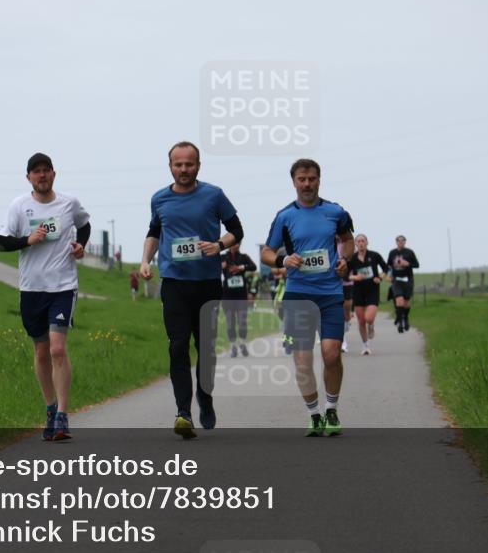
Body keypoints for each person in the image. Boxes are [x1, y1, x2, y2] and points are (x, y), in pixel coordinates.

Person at [139, 141, 243, 439]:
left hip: (207, 284)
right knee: (177, 345)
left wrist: (219, 245)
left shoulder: (213, 195)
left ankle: (205, 398)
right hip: (173, 283)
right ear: (170, 166)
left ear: (198, 165)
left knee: (206, 350)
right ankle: (183, 411)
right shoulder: (159, 199)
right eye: (178, 164)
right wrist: (146, 261)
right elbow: (154, 231)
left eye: (189, 164)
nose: (183, 169)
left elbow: (238, 229)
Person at [0, 153, 91, 441]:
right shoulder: (18, 206)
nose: (41, 176)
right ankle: (50, 408)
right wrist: (28, 240)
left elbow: (84, 224)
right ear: (28, 177)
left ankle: (63, 414)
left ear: (53, 174)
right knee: (40, 352)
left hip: (62, 286)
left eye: (45, 171)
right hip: (31, 289)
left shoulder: (68, 203)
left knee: (57, 349)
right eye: (36, 172)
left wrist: (80, 245)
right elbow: (2, 242)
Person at [260, 158, 354, 437]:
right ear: (294, 182)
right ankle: (314, 414)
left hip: (330, 293)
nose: (307, 184)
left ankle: (332, 408)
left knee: (331, 354)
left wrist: (344, 259)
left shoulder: (335, 212)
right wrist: (283, 258)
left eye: (312, 178)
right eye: (302, 179)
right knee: (302, 360)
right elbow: (266, 251)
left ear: (319, 180)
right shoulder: (285, 216)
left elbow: (347, 239)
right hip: (298, 294)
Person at [348, 234, 388, 355]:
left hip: (372, 290)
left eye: (363, 241)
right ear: (355, 244)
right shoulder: (352, 258)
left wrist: (379, 278)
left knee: (368, 318)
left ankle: (371, 325)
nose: (361, 243)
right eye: (358, 241)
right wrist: (354, 277)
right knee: (361, 321)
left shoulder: (374, 256)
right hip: (358, 291)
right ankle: (365, 346)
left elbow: (386, 269)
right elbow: (345, 275)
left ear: (367, 242)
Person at [221, 242, 257, 358]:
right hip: (227, 295)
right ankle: (233, 347)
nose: (235, 245)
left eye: (238, 243)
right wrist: (221, 266)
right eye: (233, 243)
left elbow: (253, 267)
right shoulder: (223, 257)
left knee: (242, 321)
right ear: (229, 244)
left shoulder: (243, 257)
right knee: (230, 323)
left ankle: (242, 343)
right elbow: (211, 268)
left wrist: (241, 267)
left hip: (241, 295)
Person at [387, 235, 420, 333]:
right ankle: (400, 321)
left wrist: (408, 264)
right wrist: (389, 275)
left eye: (402, 241)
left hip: (408, 279)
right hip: (396, 280)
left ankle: (405, 318)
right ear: (396, 242)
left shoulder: (409, 252)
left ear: (405, 242)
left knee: (406, 302)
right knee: (399, 300)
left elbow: (417, 265)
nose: (401, 242)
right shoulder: (392, 253)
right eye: (399, 241)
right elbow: (388, 265)